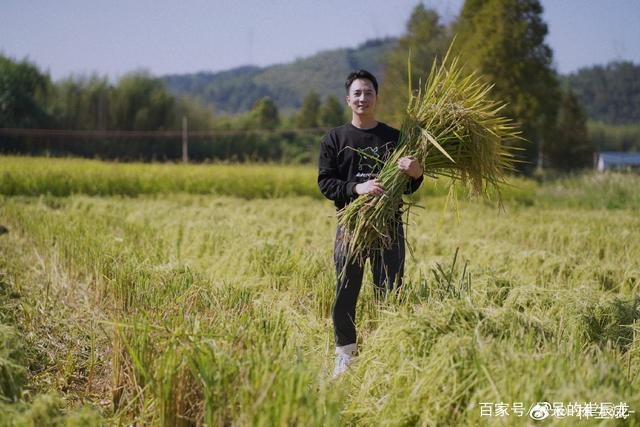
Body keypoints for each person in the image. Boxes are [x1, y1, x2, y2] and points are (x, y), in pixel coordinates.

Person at [317, 69, 424, 377]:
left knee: (390, 288)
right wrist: (358, 188)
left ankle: (387, 350)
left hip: (388, 224)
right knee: (346, 288)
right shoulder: (334, 139)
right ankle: (346, 355)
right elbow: (326, 184)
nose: (363, 98)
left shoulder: (394, 138)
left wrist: (417, 173)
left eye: (368, 92)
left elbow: (408, 186)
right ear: (348, 99)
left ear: (377, 97)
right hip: (351, 224)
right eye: (357, 93)